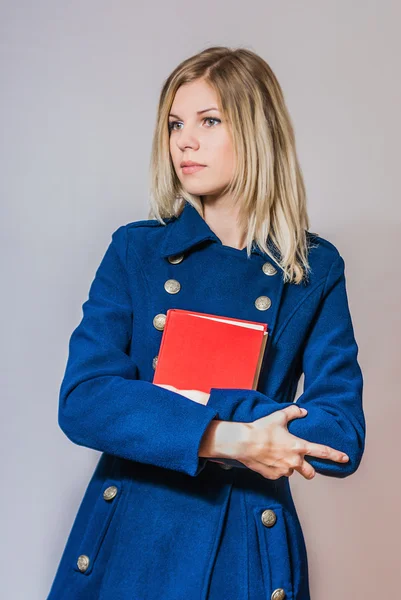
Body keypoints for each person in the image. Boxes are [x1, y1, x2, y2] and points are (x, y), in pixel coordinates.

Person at [46, 46, 366, 600]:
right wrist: (232, 438)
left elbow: (340, 434)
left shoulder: (313, 269)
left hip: (243, 545)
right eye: (174, 124)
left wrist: (189, 409)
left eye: (209, 121)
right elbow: (85, 400)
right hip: (132, 537)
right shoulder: (135, 251)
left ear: (256, 131)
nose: (183, 141)